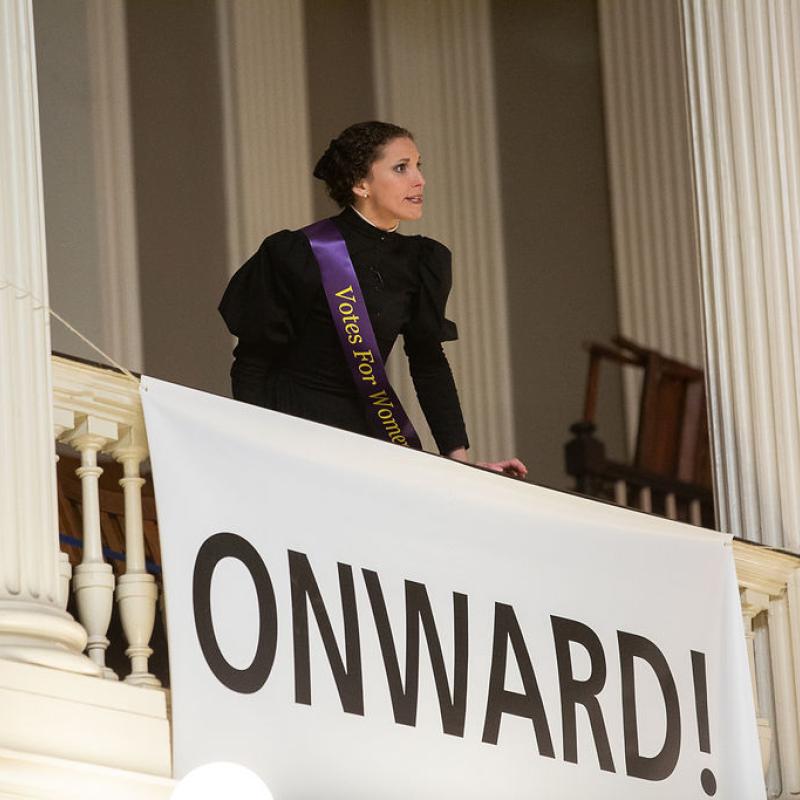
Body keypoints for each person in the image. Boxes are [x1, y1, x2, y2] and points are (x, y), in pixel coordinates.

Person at [219, 121, 526, 477]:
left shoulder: (423, 261)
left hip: (364, 435)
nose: (419, 180)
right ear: (360, 184)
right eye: (401, 168)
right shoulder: (300, 252)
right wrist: (250, 443)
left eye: (418, 165)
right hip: (290, 426)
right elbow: (253, 361)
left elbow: (428, 362)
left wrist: (460, 465)